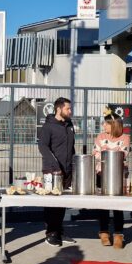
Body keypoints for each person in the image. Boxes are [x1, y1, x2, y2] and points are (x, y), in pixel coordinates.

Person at [37, 96, 75, 247]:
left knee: (62, 202)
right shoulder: (48, 126)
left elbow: (71, 147)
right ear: (59, 109)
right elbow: (43, 147)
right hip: (52, 170)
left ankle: (59, 231)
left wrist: (74, 164)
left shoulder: (69, 125)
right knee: (52, 202)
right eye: (68, 108)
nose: (70, 111)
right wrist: (55, 165)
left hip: (67, 170)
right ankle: (51, 234)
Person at [92, 113, 131, 249]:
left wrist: (106, 152)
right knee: (103, 204)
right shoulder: (100, 137)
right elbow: (95, 153)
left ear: (114, 125)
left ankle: (119, 234)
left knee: (118, 205)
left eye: (106, 123)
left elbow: (123, 154)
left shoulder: (125, 138)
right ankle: (103, 232)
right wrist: (112, 153)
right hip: (101, 174)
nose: (103, 125)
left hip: (118, 175)